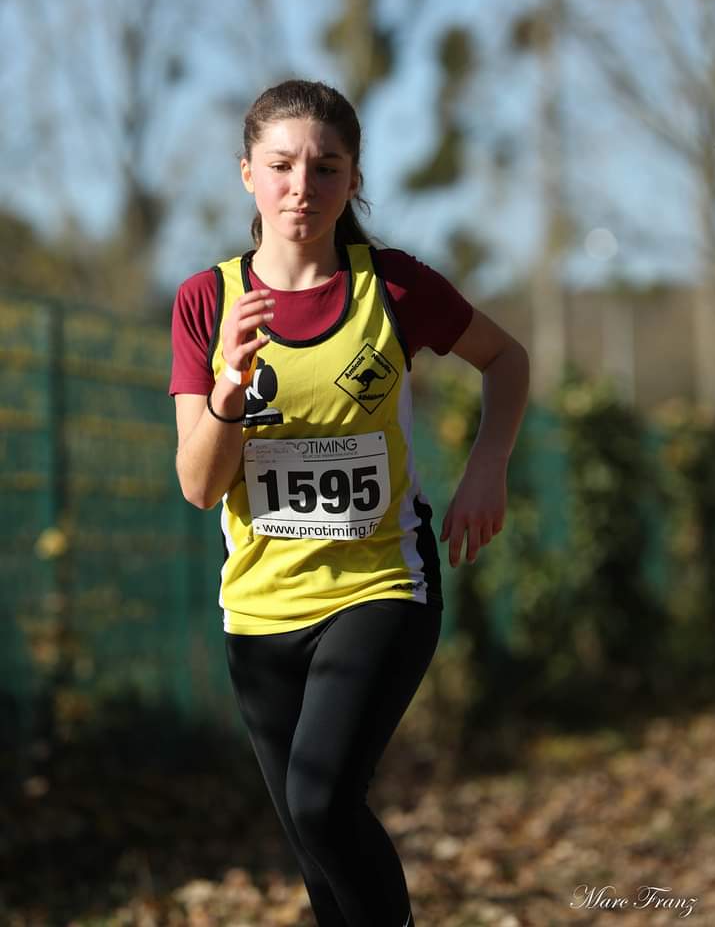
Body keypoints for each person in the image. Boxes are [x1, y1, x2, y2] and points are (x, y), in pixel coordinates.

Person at [169, 79, 529, 927]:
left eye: (326, 167)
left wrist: (490, 462)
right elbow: (198, 485)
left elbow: (505, 359)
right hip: (260, 607)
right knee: (317, 852)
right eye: (282, 165)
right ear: (248, 174)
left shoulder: (394, 288)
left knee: (322, 800)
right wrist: (228, 386)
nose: (303, 186)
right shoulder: (206, 301)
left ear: (354, 180)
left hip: (381, 585)